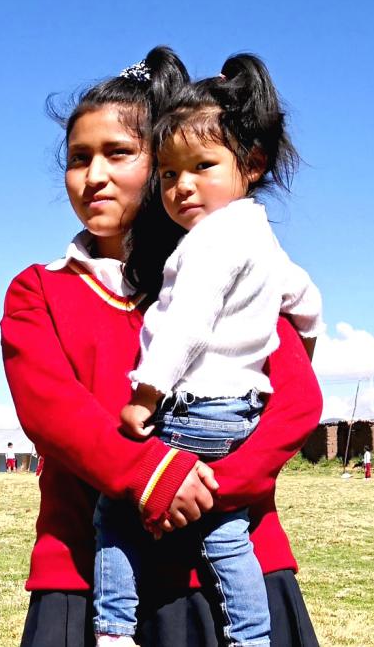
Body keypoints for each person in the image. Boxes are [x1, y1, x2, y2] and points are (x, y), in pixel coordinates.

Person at [1, 46, 323, 647]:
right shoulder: (39, 290)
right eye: (78, 159)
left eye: (119, 154)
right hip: (87, 578)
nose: (93, 175)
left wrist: (213, 486)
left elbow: (296, 402)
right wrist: (153, 474)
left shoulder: (232, 275)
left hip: (230, 576)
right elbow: (53, 414)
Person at [97, 53, 322, 647]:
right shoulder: (258, 232)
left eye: (201, 166)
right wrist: (307, 342)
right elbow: (307, 298)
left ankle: (115, 627)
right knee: (225, 531)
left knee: (118, 512)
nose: (182, 186)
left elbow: (187, 325)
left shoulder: (207, 242)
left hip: (194, 405)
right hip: (241, 410)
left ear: (250, 164)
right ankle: (251, 637)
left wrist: (145, 395)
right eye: (169, 174)